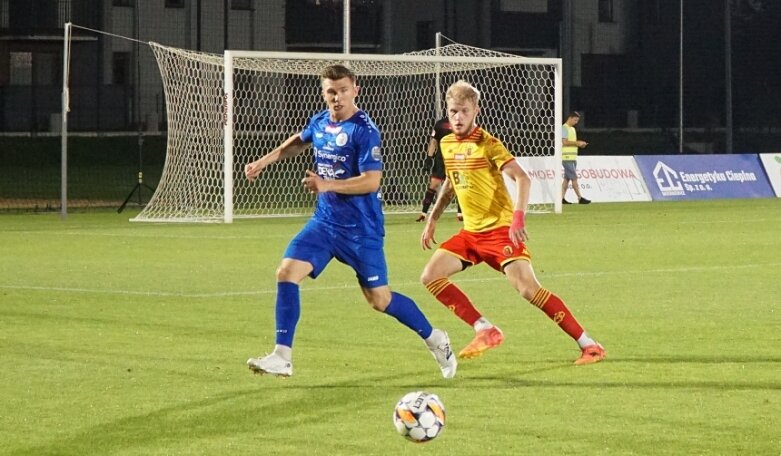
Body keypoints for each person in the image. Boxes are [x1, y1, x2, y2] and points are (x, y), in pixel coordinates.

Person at [244, 64, 457, 379]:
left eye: (343, 90)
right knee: (286, 272)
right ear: (323, 93)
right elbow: (299, 141)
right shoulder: (320, 121)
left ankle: (435, 338)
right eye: (331, 91)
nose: (337, 97)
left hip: (361, 231)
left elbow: (371, 181)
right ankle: (282, 355)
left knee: (380, 300)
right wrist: (265, 160)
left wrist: (328, 185)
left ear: (355, 90)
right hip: (324, 223)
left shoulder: (364, 129)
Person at [419, 80, 605, 365]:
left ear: (475, 111)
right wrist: (432, 219)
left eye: (464, 111)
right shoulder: (446, 143)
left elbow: (522, 177)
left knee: (529, 290)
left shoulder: (488, 143)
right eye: (453, 111)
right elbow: (449, 185)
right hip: (470, 234)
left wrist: (518, 217)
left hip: (499, 232)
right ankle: (485, 328)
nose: (457, 117)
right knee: (430, 277)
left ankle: (589, 345)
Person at [416, 117, 462, 222]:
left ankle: (460, 214)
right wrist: (429, 158)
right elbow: (433, 141)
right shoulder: (440, 124)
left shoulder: (462, 122)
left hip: (457, 158)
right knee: (433, 184)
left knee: (459, 185)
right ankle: (423, 213)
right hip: (441, 159)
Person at [561, 111, 591, 204]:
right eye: (575, 120)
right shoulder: (564, 128)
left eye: (577, 120)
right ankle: (579, 198)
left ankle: (561, 199)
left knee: (567, 179)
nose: (576, 122)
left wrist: (579, 144)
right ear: (570, 118)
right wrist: (577, 143)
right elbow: (564, 142)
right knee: (574, 178)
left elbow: (571, 142)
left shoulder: (572, 129)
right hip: (566, 157)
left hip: (572, 157)